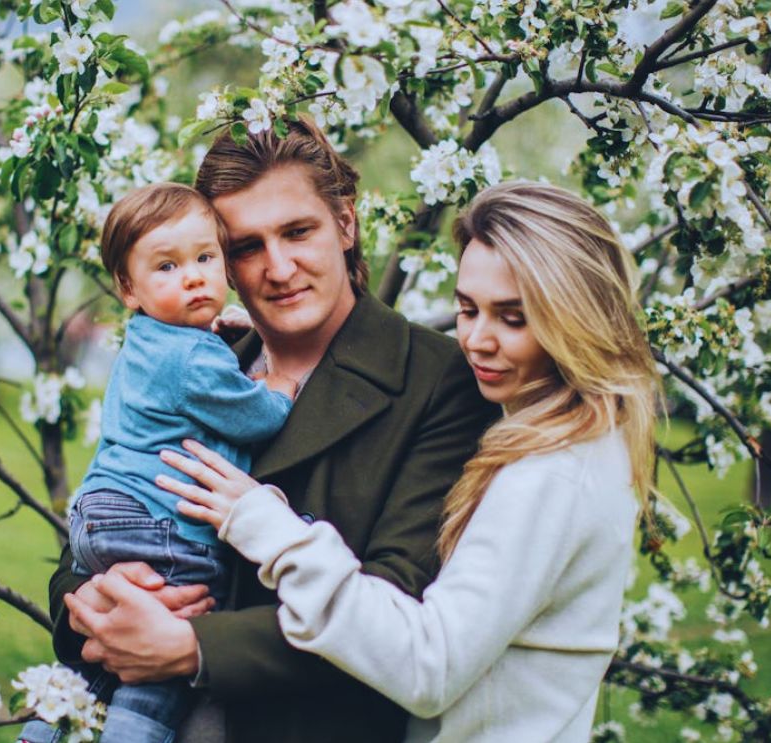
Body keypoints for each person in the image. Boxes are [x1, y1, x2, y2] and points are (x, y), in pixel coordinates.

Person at [145, 181, 662, 742]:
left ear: (577, 317)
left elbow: (427, 665)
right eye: (468, 309)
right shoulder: (548, 444)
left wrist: (267, 526)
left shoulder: (553, 474)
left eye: (514, 318)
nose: (478, 341)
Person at [46, 118, 495, 743]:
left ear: (346, 222)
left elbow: (401, 602)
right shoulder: (204, 360)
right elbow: (114, 495)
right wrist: (87, 599)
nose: (278, 268)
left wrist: (191, 646)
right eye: (246, 247)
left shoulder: (437, 380)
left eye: (298, 231)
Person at [25, 183, 296, 743]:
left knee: (95, 661)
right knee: (162, 651)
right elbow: (257, 418)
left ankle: (44, 731)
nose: (194, 276)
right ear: (129, 288)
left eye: (205, 258)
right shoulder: (195, 355)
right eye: (167, 267)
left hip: (99, 519)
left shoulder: (149, 339)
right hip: (160, 526)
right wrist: (281, 387)